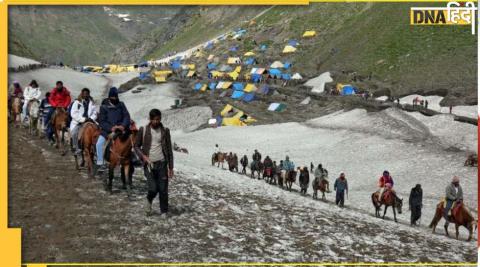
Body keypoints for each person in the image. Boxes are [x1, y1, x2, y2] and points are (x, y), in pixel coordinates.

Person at [135, 109, 174, 217]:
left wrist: (171, 168)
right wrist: (143, 156)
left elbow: (169, 150)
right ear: (150, 119)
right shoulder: (143, 130)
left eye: (159, 119)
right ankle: (149, 199)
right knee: (153, 188)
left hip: (162, 163)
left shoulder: (165, 131)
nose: (157, 121)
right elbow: (136, 146)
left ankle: (164, 211)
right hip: (149, 165)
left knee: (163, 189)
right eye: (155, 119)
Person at [95, 87, 131, 173]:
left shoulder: (121, 104)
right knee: (99, 144)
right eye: (113, 97)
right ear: (109, 97)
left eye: (115, 97)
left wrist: (122, 125)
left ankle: (133, 158)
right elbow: (102, 121)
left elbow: (126, 116)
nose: (114, 98)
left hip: (121, 129)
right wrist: (111, 128)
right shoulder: (104, 107)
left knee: (132, 141)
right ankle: (101, 163)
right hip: (108, 130)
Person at [69, 88, 97, 156]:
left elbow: (95, 113)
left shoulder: (92, 103)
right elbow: (73, 113)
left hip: (90, 121)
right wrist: (83, 119)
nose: (86, 95)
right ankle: (77, 148)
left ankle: (95, 149)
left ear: (89, 94)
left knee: (97, 132)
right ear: (82, 94)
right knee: (74, 133)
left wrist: (91, 118)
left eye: (87, 94)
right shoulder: (77, 102)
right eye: (84, 94)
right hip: (79, 122)